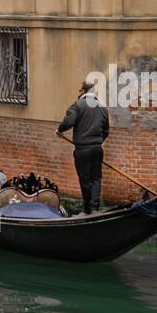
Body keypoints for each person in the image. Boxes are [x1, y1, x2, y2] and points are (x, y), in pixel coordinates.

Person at [57, 79, 110, 215]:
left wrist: (60, 130)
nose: (78, 93)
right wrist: (98, 141)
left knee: (85, 180)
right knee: (96, 178)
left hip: (82, 150)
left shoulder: (78, 105)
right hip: (97, 149)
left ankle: (87, 210)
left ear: (83, 91)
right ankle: (95, 209)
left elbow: (68, 121)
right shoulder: (102, 108)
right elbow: (106, 131)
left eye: (80, 90)